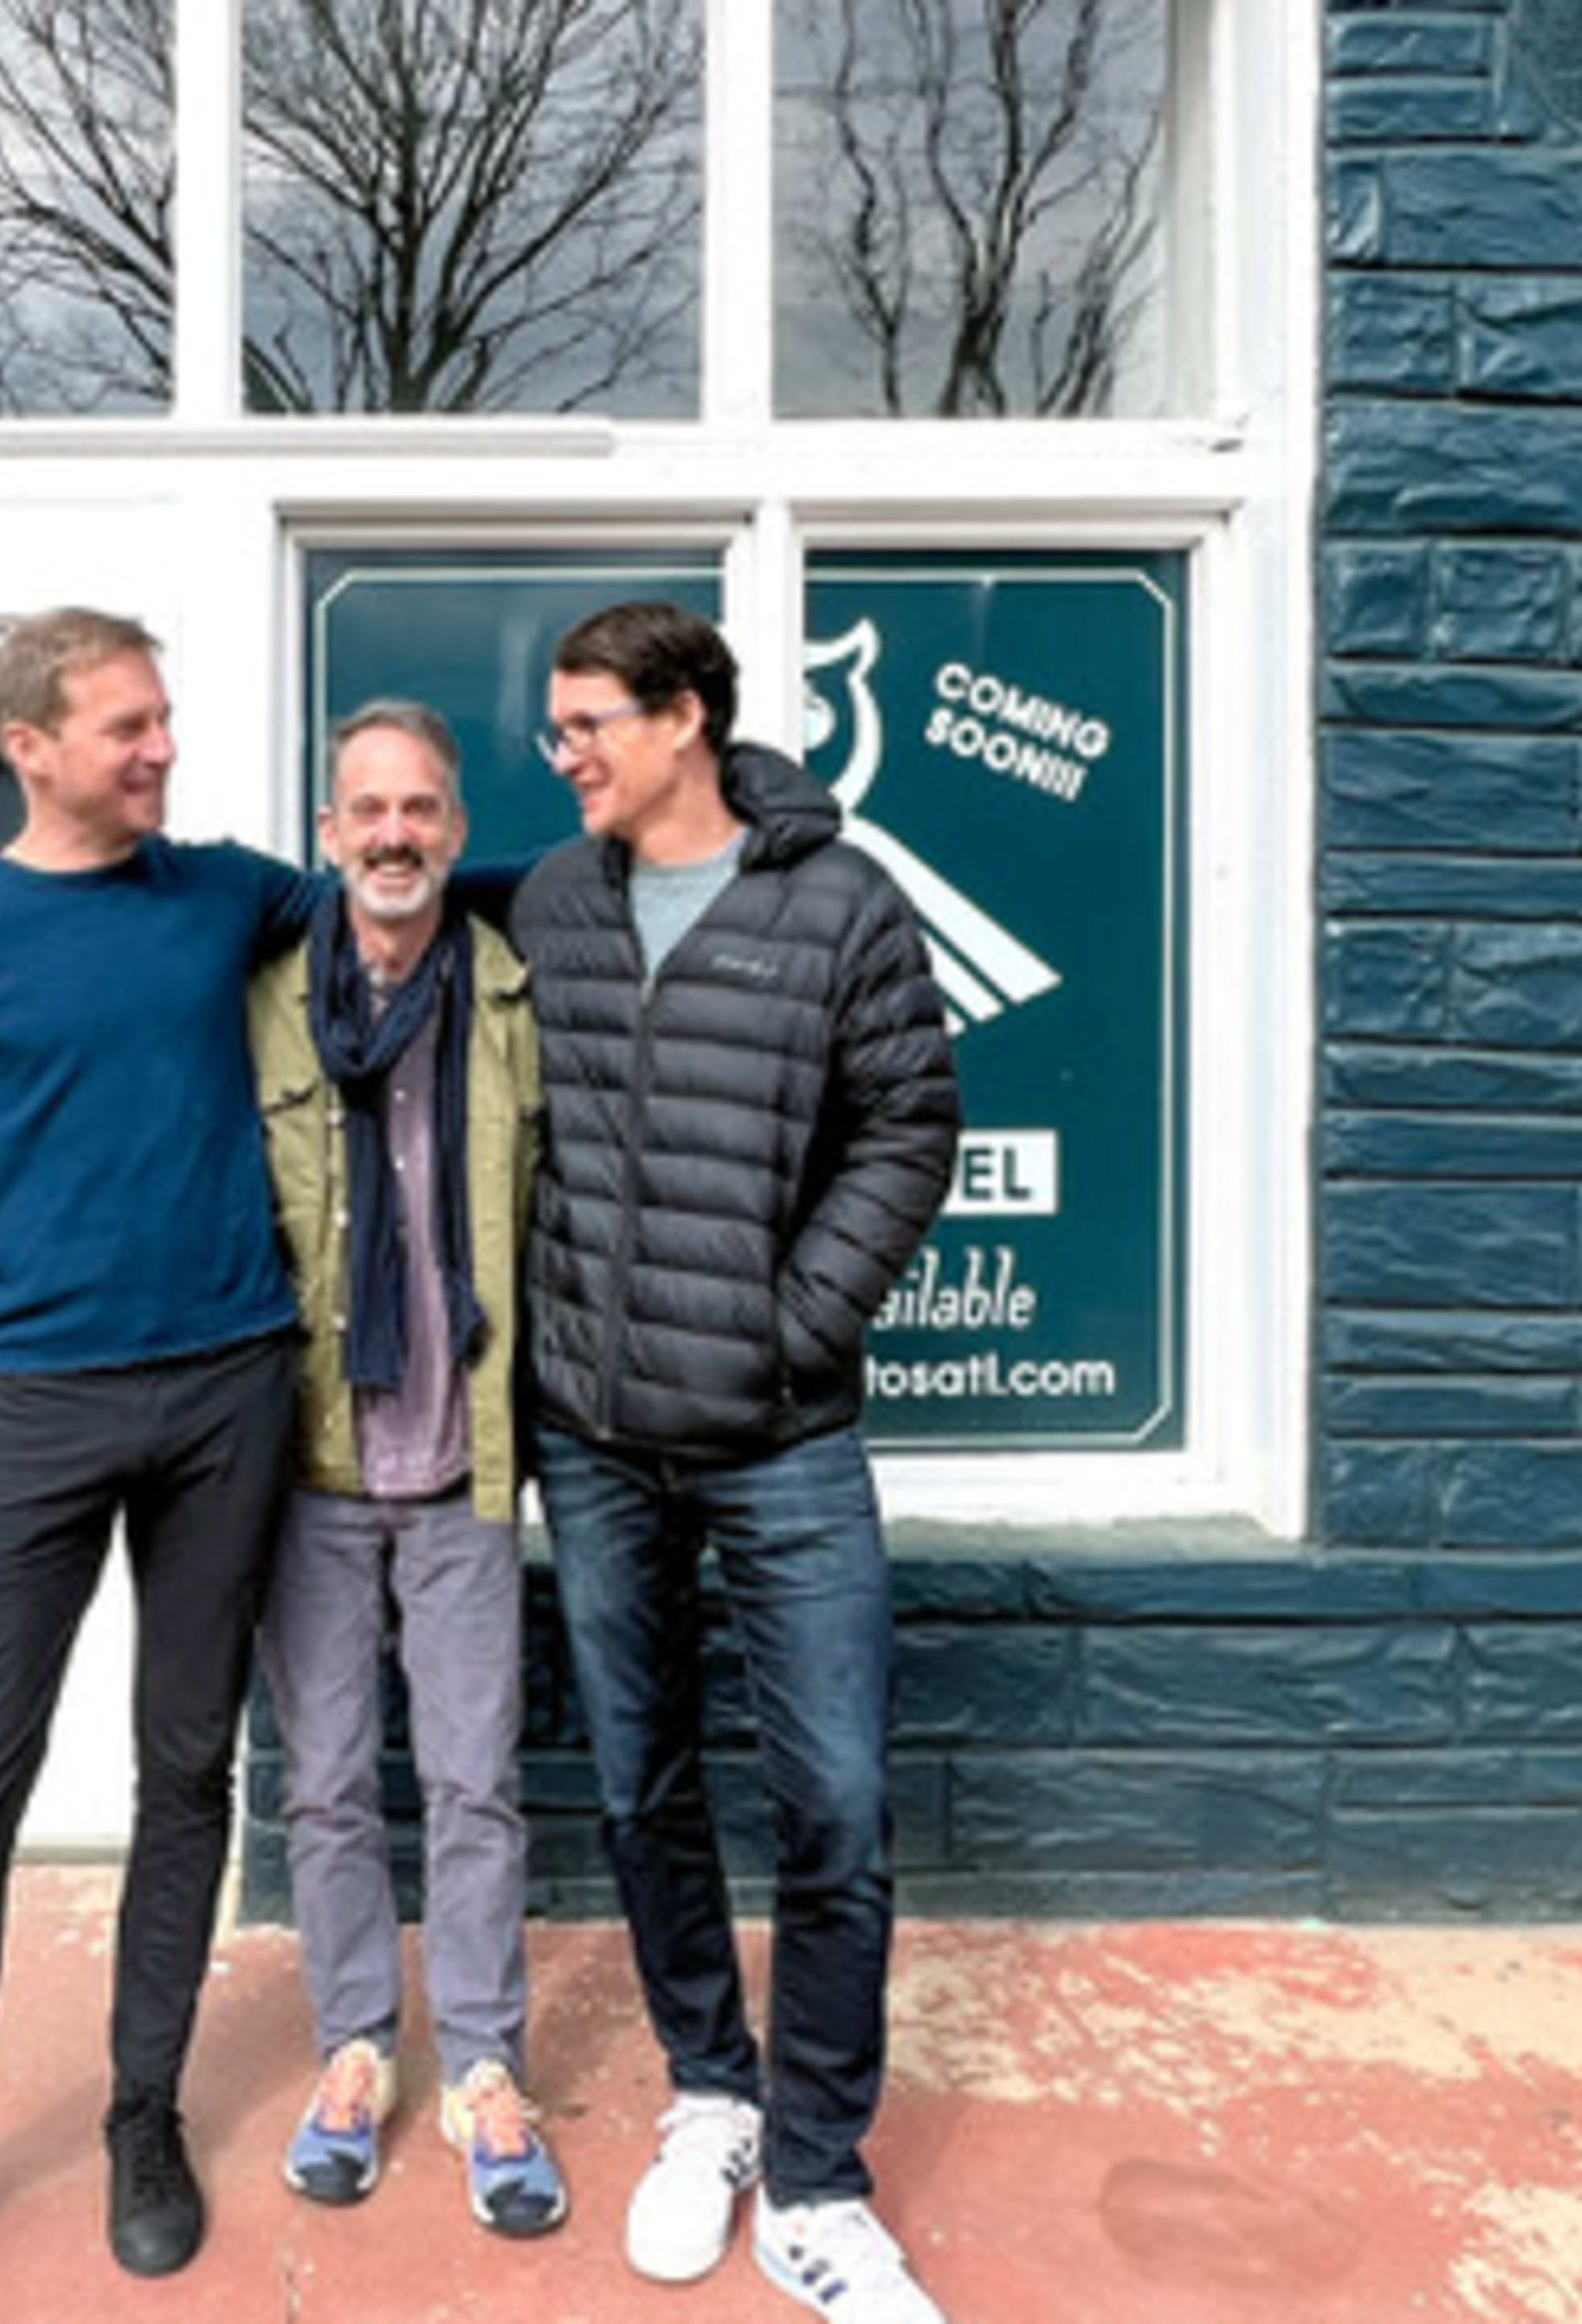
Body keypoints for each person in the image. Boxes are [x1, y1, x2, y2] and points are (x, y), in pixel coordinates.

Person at [0, 607, 315, 2324]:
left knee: (185, 1773)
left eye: (164, 718)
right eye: (127, 729)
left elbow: (417, 891)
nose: (161, 750)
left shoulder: (226, 893)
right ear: (31, 748)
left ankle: (143, 2113)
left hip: (234, 1389)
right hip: (33, 1402)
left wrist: (672, 818)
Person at [510, 601, 962, 2322]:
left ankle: (820, 2185)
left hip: (784, 1436)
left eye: (589, 727)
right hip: (600, 1438)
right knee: (641, 1785)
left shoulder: (835, 902)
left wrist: (798, 1319)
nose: (566, 759)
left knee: (837, 1805)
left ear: (685, 718)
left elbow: (913, 1120)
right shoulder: (555, 901)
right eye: (558, 732)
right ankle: (714, 2093)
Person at [247, 702, 563, 2238]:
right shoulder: (253, 1005)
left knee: (473, 1787)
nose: (392, 835)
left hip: (462, 1462)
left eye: (420, 810)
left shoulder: (510, 997)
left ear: (455, 828)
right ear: (327, 832)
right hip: (305, 1462)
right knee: (320, 1789)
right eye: (366, 809)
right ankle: (358, 2049)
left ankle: (488, 2064)